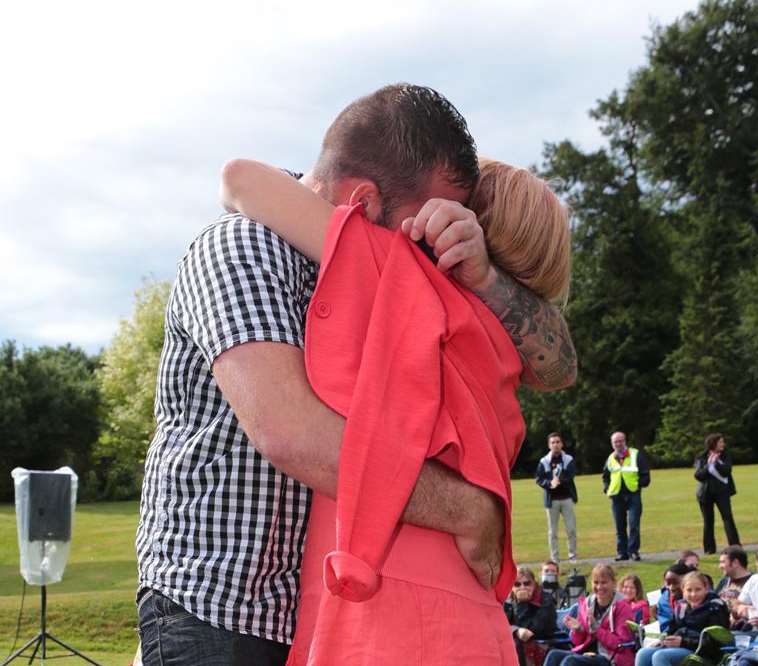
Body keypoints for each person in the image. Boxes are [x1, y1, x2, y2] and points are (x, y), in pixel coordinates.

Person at [135, 84, 577, 666]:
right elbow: (293, 433)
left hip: (311, 614)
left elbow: (558, 363)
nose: (434, 245)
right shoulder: (246, 247)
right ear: (365, 206)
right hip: (222, 609)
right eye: (426, 225)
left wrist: (485, 277)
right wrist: (469, 509)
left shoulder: (409, 290)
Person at [221, 154, 572, 664]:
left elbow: (239, 178)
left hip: (391, 616)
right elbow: (562, 366)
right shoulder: (503, 343)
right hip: (464, 615)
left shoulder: (408, 281)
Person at [543, 564, 636, 666]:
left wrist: (597, 630)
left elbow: (621, 645)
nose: (599, 587)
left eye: (604, 582)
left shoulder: (622, 607)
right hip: (586, 653)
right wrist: (578, 630)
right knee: (554, 655)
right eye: (596, 582)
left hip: (610, 657)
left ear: (613, 583)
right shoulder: (587, 604)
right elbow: (577, 642)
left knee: (570, 661)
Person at [635, 571, 730, 666]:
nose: (693, 594)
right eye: (689, 590)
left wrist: (683, 642)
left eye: (698, 590)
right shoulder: (681, 606)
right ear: (683, 591)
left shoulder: (715, 607)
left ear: (706, 589)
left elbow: (715, 642)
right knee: (643, 653)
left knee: (660, 656)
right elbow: (672, 629)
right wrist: (664, 640)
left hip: (703, 652)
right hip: (680, 646)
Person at [603, 432, 650, 561]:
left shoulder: (636, 454)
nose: (618, 444)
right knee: (620, 525)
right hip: (616, 495)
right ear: (612, 444)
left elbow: (645, 474)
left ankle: (633, 551)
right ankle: (622, 552)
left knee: (634, 524)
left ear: (625, 441)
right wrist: (607, 489)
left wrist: (638, 485)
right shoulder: (610, 458)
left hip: (633, 494)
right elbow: (606, 476)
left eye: (621, 441)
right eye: (615, 442)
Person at [694, 433, 741, 554]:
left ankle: (735, 547)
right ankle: (709, 549)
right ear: (713, 444)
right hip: (705, 494)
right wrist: (708, 465)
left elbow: (727, 471)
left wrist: (717, 463)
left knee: (728, 518)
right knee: (708, 521)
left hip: (722, 493)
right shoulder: (702, 457)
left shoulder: (725, 456)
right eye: (720, 442)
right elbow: (698, 475)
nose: (723, 444)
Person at [536, 432, 579, 563]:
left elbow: (571, 474)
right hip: (552, 501)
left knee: (571, 529)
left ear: (562, 444)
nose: (555, 444)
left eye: (558, 442)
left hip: (566, 499)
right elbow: (539, 479)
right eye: (553, 442)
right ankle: (555, 558)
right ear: (549, 445)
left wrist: (559, 480)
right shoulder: (544, 461)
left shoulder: (568, 459)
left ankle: (572, 555)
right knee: (552, 532)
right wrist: (549, 484)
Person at [505, 566, 559, 666]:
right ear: (512, 587)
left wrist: (522, 604)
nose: (522, 587)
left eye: (527, 583)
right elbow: (500, 626)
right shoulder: (508, 601)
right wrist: (516, 631)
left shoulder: (546, 601)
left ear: (534, 584)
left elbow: (533, 630)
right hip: (519, 646)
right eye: (517, 584)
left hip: (545, 644)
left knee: (517, 644)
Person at [716, 545, 753, 624]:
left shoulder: (754, 582)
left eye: (723, 562)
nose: (720, 566)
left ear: (735, 563)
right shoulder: (724, 581)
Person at [656, 562, 693, 632]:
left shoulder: (697, 599)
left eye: (675, 583)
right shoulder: (663, 601)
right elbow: (664, 625)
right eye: (668, 583)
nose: (671, 588)